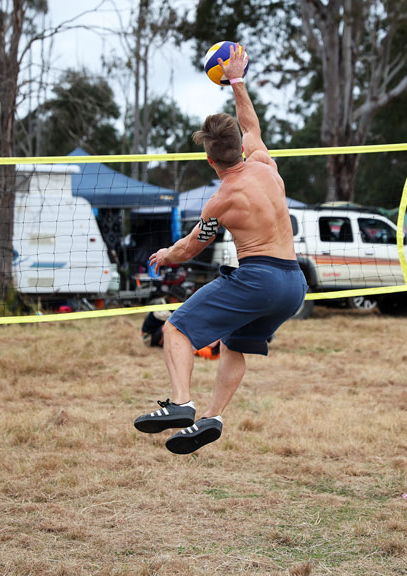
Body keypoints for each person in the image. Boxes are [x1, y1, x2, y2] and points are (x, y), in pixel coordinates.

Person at [134, 44, 307, 454]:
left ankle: (180, 405)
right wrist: (237, 80)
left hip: (260, 278)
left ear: (210, 160)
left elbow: (191, 248)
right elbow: (251, 125)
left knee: (175, 328)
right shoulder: (266, 166)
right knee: (235, 344)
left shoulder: (221, 200)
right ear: (240, 148)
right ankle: (211, 417)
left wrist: (166, 254)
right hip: (294, 284)